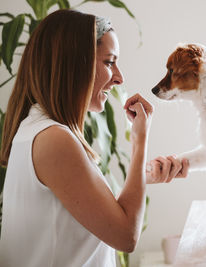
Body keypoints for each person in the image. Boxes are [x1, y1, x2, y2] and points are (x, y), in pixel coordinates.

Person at [0, 9, 188, 266]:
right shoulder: (55, 140)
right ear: (73, 62)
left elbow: (82, 214)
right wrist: (140, 139)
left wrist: (143, 177)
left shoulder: (36, 130)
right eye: (109, 62)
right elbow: (125, 237)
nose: (119, 78)